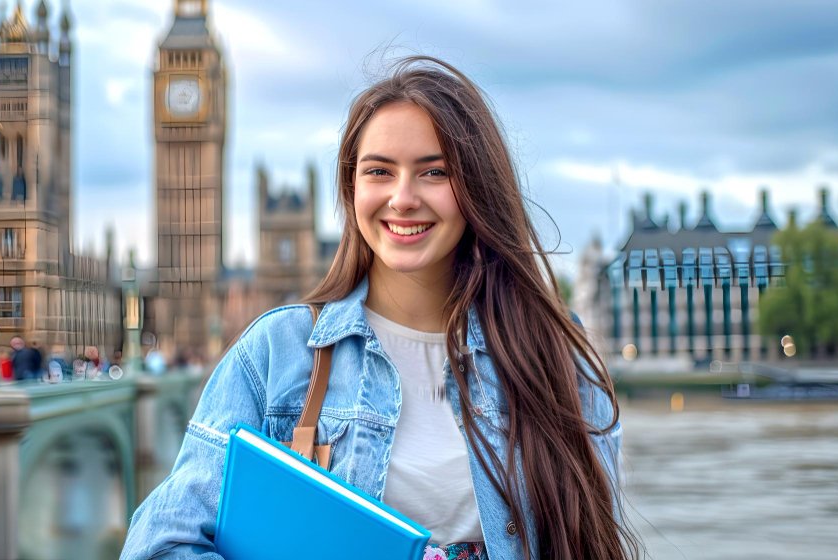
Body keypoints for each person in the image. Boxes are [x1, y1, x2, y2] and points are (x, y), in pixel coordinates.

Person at [121, 56, 640, 560]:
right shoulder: (277, 355)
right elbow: (160, 544)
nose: (403, 198)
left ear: (477, 187)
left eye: (434, 172)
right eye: (379, 171)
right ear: (351, 189)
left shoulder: (554, 354)